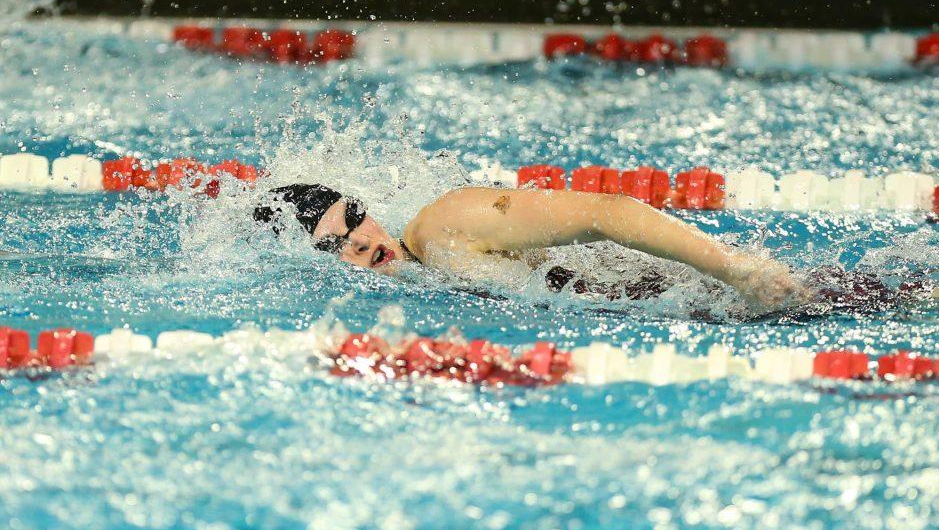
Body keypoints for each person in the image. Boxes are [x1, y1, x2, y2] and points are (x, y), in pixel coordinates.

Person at [251, 181, 813, 314]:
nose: (362, 240)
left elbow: (608, 211)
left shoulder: (442, 226)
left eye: (354, 217)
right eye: (336, 243)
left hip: (713, 294)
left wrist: (739, 270)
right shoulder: (425, 279)